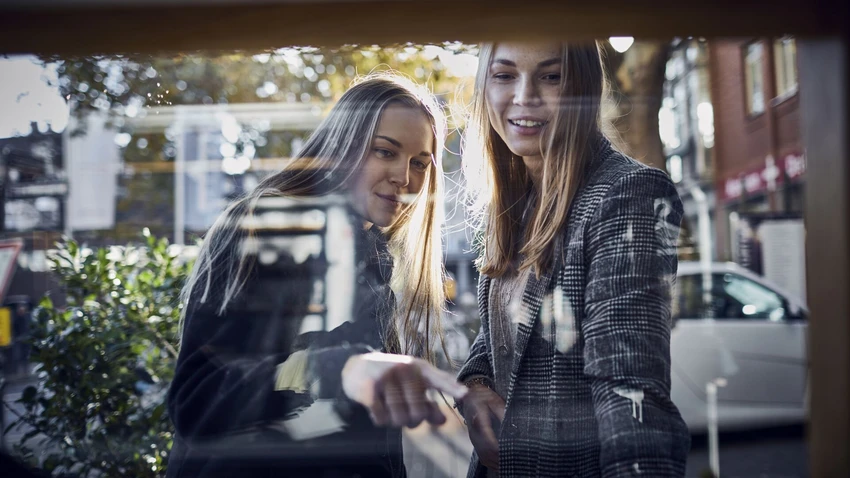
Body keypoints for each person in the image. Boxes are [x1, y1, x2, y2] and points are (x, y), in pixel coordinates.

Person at [167, 74, 466, 478]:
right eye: (385, 152)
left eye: (419, 163)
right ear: (342, 148)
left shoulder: (373, 261)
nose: (404, 177)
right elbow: (198, 400)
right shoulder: (268, 228)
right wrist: (337, 369)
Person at [456, 42, 691, 477]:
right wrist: (475, 385)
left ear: (583, 86)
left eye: (551, 76)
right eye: (504, 75)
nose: (524, 96)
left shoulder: (627, 194)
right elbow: (505, 332)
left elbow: (631, 392)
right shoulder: (517, 202)